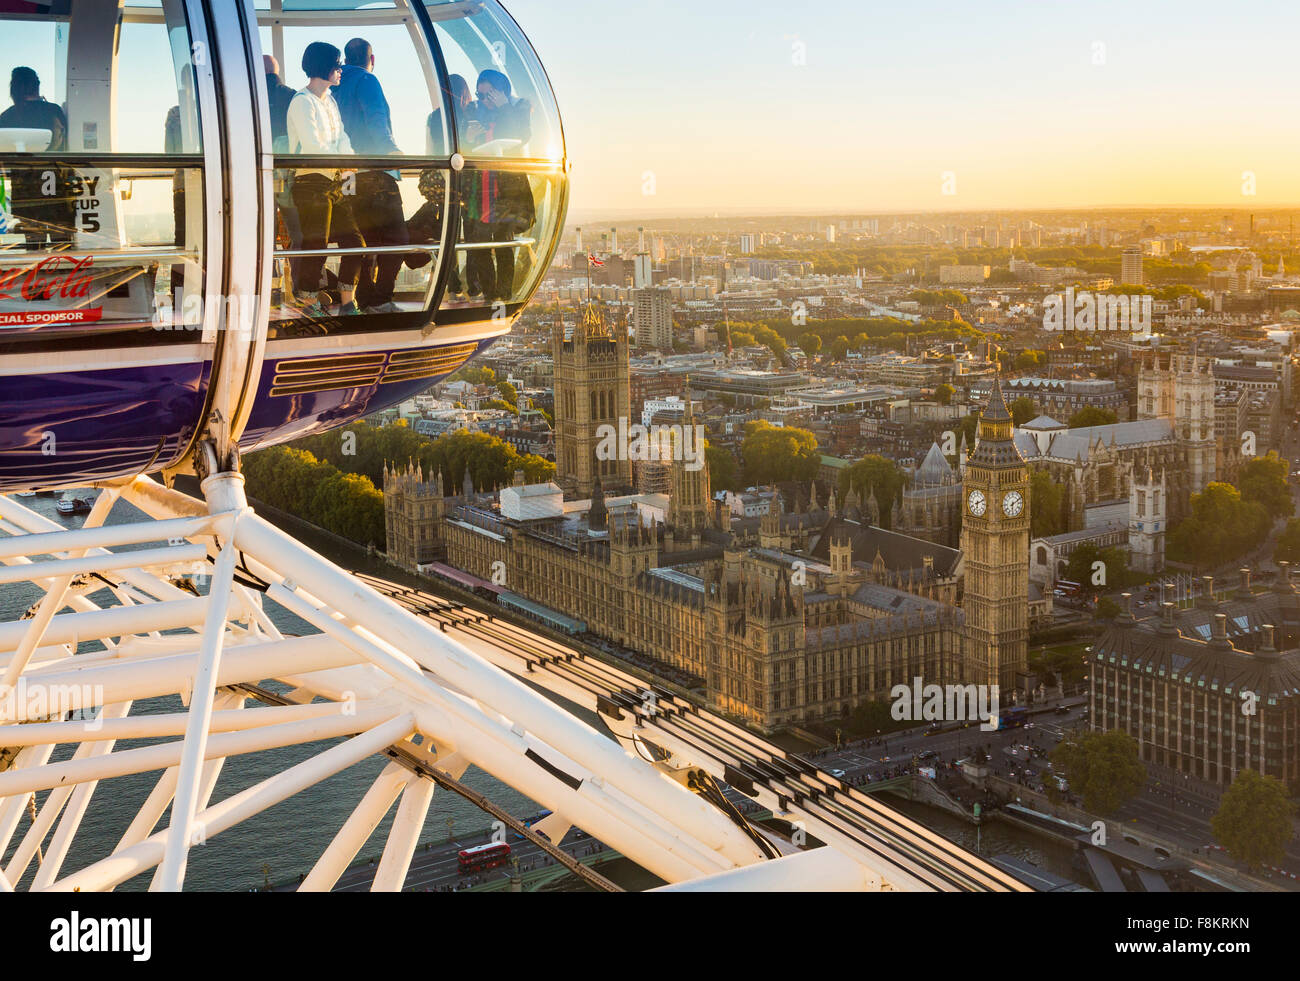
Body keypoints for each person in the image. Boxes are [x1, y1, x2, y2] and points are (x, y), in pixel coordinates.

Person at [286, 41, 364, 318]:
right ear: (324, 66)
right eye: (337, 64)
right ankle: (308, 303)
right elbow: (314, 146)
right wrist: (345, 164)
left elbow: (342, 138)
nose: (341, 69)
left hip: (334, 180)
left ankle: (346, 302)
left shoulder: (329, 101)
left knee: (355, 242)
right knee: (315, 245)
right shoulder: (301, 102)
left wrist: (348, 165)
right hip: (311, 182)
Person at [333, 37, 408, 314]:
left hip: (348, 177)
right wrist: (393, 151)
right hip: (376, 174)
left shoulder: (336, 86)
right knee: (397, 239)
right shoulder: (367, 80)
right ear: (371, 59)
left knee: (364, 240)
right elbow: (377, 119)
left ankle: (365, 299)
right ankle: (381, 300)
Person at [462, 69, 534, 303]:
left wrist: (505, 108)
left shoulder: (519, 108)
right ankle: (490, 294)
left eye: (490, 95)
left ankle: (503, 293)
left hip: (506, 187)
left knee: (504, 241)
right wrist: (470, 139)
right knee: (480, 242)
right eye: (480, 95)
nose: (484, 101)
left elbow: (521, 136)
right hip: (480, 186)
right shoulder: (475, 111)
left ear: (502, 91)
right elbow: (462, 148)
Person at [0, 67, 74, 251]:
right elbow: (63, 147)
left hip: (26, 191)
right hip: (56, 188)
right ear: (37, 86)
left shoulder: (7, 117)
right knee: (63, 243)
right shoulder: (53, 111)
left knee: (34, 244)